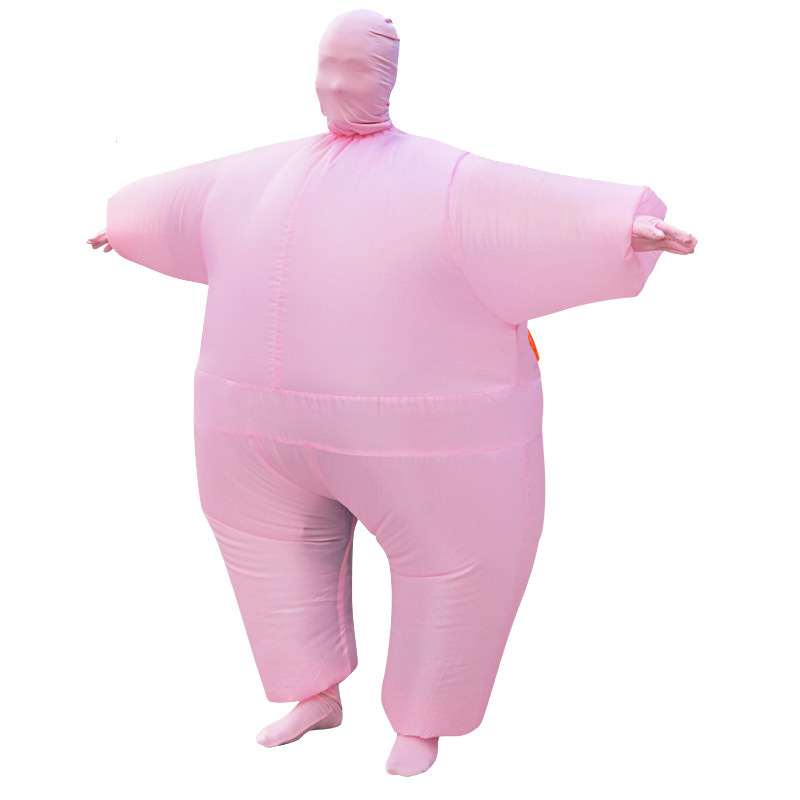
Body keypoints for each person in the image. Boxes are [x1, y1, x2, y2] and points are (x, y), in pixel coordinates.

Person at [87, 9, 697, 778]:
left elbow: (532, 211)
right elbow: (176, 206)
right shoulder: (252, 178)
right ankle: (313, 693)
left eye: (351, 70)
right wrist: (124, 227)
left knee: (457, 566)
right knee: (270, 552)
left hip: (422, 445)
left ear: (384, 80)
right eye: (326, 70)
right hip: (258, 436)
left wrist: (625, 228)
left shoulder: (446, 184)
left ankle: (422, 721)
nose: (334, 85)